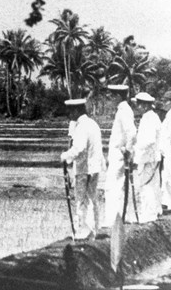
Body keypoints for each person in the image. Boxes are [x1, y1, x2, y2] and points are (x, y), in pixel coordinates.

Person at [60, 98, 104, 240]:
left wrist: (65, 156)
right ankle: (93, 230)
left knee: (82, 200)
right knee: (91, 199)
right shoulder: (92, 124)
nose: (69, 115)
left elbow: (79, 148)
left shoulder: (82, 127)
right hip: (94, 167)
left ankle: (84, 231)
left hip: (84, 168)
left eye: (71, 111)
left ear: (77, 110)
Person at [102, 84, 137, 227]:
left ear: (117, 96)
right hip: (118, 153)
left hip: (119, 154)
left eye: (111, 96)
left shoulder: (123, 111)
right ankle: (124, 217)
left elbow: (132, 132)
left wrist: (127, 149)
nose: (109, 99)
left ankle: (112, 219)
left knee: (112, 186)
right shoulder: (123, 110)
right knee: (120, 185)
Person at [132, 92, 162, 223]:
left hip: (148, 157)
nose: (137, 107)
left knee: (147, 186)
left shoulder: (149, 118)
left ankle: (149, 214)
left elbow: (149, 140)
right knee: (153, 185)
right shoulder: (151, 117)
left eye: (139, 104)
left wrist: (136, 149)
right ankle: (154, 211)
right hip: (151, 157)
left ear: (144, 105)